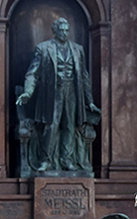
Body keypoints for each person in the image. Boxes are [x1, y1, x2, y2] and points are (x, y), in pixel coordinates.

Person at [16, 17, 98, 175]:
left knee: (69, 126)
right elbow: (33, 73)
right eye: (61, 30)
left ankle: (67, 159)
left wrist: (90, 101)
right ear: (54, 31)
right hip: (52, 93)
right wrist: (28, 92)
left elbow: (84, 77)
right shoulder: (43, 48)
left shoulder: (78, 49)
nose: (65, 33)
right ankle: (45, 160)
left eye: (67, 30)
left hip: (72, 92)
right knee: (51, 126)